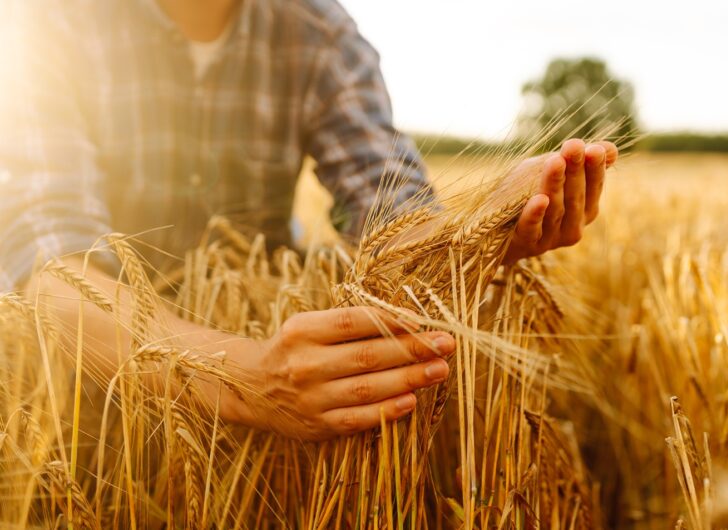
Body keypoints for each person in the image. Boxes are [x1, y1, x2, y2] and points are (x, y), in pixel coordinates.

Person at [0, 0, 618, 441]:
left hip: (253, 382)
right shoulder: (46, 21)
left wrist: (485, 229)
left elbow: (390, 210)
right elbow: (50, 274)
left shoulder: (318, 30)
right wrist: (245, 376)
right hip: (76, 398)